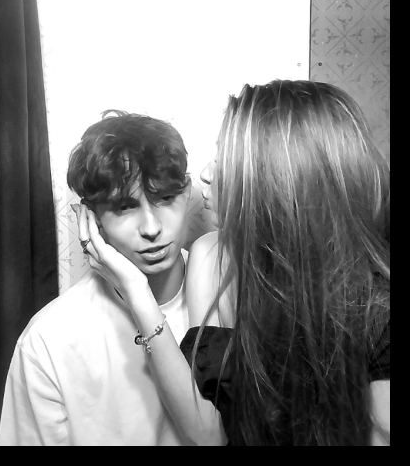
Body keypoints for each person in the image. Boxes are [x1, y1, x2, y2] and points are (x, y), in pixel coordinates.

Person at [78, 80, 390, 445]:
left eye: (226, 157)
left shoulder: (377, 312)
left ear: (282, 180)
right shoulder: (211, 255)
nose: (206, 174)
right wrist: (138, 293)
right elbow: (207, 434)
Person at [0, 110, 198, 445]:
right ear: (91, 218)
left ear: (187, 192)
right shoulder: (49, 341)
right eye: (124, 207)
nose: (151, 228)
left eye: (165, 198)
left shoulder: (231, 300)